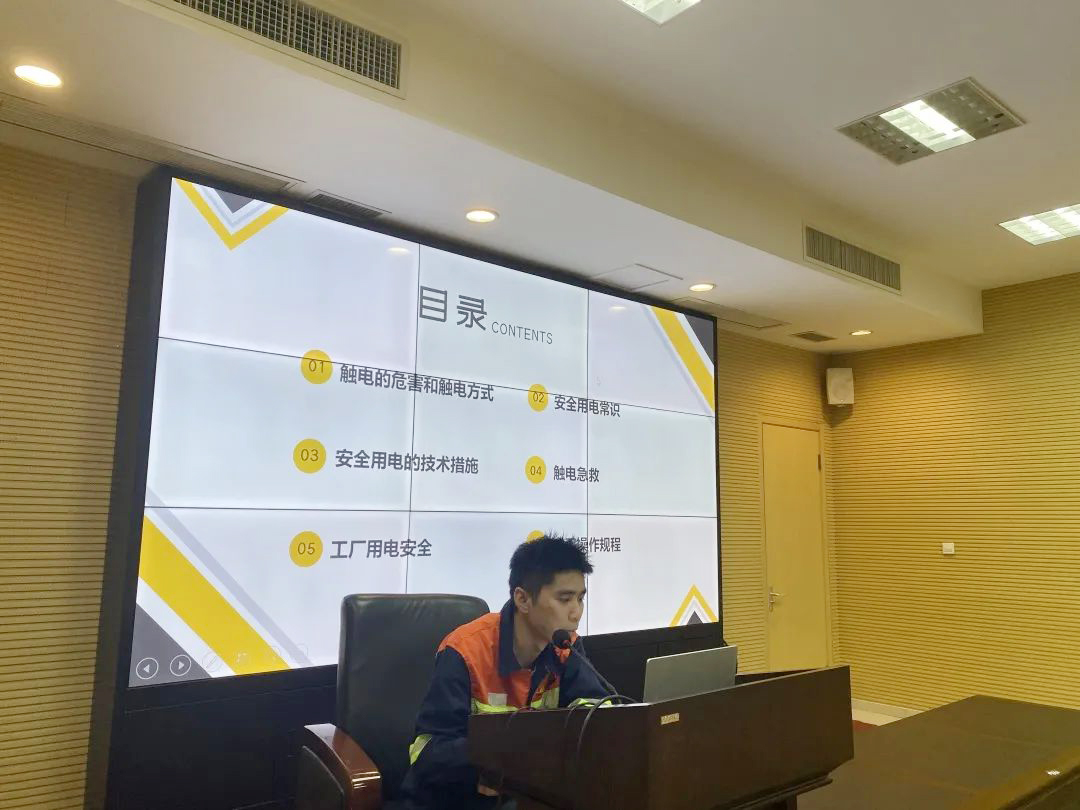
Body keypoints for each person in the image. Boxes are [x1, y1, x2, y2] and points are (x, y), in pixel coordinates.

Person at [399, 534, 610, 810]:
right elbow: (427, 753)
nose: (576, 613)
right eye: (565, 599)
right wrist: (493, 760)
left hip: (524, 796)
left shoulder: (566, 648)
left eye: (580, 599)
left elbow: (597, 714)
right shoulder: (465, 651)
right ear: (522, 599)